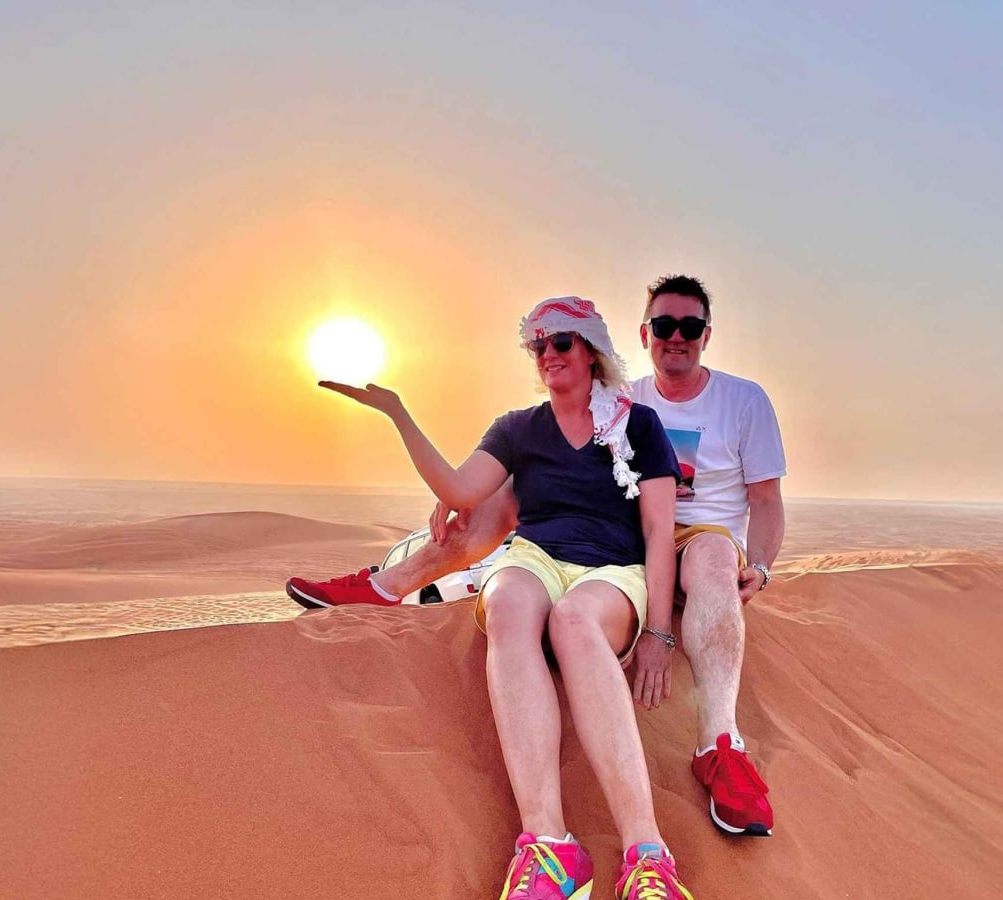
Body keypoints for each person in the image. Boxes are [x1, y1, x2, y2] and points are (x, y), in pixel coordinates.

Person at [288, 276, 786, 840]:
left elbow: (765, 500)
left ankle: (719, 746)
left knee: (711, 560)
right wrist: (457, 491)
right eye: (665, 326)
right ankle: (388, 584)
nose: (677, 337)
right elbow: (500, 473)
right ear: (644, 334)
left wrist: (755, 569)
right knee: (503, 499)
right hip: (617, 529)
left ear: (705, 335)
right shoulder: (621, 399)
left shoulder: (733, 402)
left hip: (691, 539)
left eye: (689, 327)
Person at [318, 296, 703, 900]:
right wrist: (397, 411)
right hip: (537, 557)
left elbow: (656, 535)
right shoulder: (518, 428)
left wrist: (660, 635)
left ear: (591, 352)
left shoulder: (637, 424)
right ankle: (550, 845)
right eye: (540, 343)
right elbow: (463, 491)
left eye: (563, 341)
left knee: (576, 621)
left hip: (613, 570)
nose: (550, 352)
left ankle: (648, 858)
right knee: (508, 599)